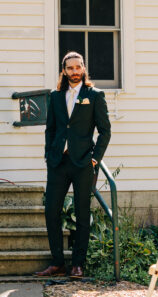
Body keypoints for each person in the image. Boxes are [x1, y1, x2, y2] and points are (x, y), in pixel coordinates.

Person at [36, 51, 111, 279]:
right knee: (51, 211)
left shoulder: (94, 95)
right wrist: (49, 155)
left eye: (78, 67)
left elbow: (105, 131)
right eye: (70, 68)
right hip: (58, 162)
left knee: (82, 212)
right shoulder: (56, 96)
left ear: (83, 68)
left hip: (82, 163)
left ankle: (78, 264)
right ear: (64, 70)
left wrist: (95, 159)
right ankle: (58, 263)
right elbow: (51, 129)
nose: (75, 71)